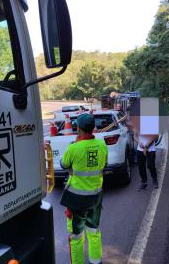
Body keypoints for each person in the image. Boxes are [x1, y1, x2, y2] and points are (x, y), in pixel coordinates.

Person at [60, 113, 108, 264]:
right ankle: (96, 262)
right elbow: (104, 166)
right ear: (93, 128)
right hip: (95, 197)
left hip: (76, 200)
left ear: (78, 128)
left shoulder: (73, 148)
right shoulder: (102, 145)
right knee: (94, 232)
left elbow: (63, 164)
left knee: (76, 236)